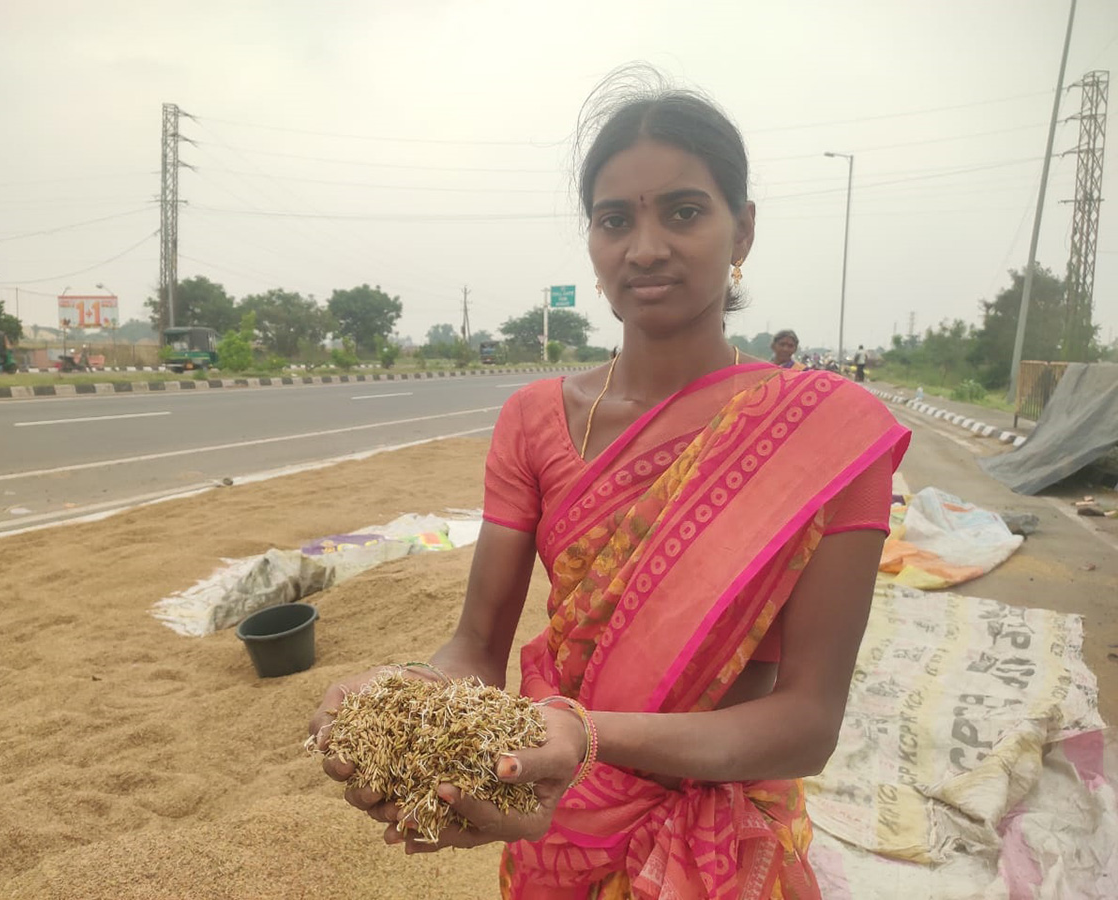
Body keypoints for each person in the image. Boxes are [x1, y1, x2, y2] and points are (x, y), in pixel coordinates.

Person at [310, 69, 910, 899]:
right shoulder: (534, 420)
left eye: (685, 211)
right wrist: (414, 697)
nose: (647, 245)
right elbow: (475, 649)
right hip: (557, 818)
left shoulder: (822, 435)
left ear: (743, 231)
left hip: (724, 836)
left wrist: (584, 735)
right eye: (615, 219)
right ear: (592, 242)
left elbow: (808, 725)